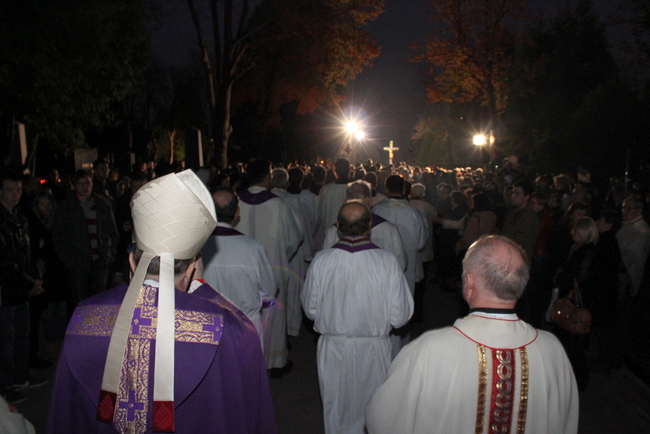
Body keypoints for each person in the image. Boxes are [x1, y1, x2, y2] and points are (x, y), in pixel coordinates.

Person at [47, 169, 276, 433]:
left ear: (132, 261)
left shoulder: (83, 318)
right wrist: (202, 290)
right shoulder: (225, 328)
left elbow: (66, 414)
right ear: (192, 269)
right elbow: (248, 403)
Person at [366, 235, 579, 434]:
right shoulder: (553, 351)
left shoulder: (429, 350)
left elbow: (383, 419)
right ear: (520, 287)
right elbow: (566, 421)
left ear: (469, 282)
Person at [302, 202, 413, 434]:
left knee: (336, 409)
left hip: (334, 348)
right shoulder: (387, 261)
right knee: (373, 409)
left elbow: (311, 310)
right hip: (373, 348)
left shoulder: (322, 260)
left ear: (338, 226)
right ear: (369, 226)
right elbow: (400, 315)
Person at [236, 158, 300, 372]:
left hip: (241, 268)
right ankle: (274, 361)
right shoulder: (279, 204)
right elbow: (293, 239)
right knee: (273, 316)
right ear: (267, 177)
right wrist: (281, 256)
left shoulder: (236, 201)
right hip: (272, 267)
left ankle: (244, 360)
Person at [201, 186, 277, 351]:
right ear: (237, 212)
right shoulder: (253, 248)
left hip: (207, 327)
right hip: (246, 326)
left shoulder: (197, 248)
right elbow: (270, 289)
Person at [0, 169, 47, 406]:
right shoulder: (3, 220)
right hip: (5, 291)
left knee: (21, 336)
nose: (15, 194)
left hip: (22, 288)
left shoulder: (19, 216)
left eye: (18, 189)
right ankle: (6, 385)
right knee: (6, 340)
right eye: (10, 190)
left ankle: (19, 376)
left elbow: (27, 253)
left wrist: (34, 280)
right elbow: (4, 261)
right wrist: (29, 281)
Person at [51, 170, 119, 312]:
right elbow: (59, 236)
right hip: (78, 263)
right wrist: (70, 261)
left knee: (99, 302)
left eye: (87, 182)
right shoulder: (67, 207)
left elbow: (112, 232)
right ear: (74, 185)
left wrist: (109, 255)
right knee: (81, 302)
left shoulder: (101, 204)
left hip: (100, 261)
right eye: (80, 183)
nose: (85, 187)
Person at [553, 217, 599, 391]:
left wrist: (561, 278)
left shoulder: (587, 253)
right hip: (573, 298)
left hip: (575, 303)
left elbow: (579, 277)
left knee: (573, 344)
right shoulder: (578, 248)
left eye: (576, 230)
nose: (572, 232)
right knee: (570, 342)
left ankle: (578, 381)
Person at [322, 180, 406, 271]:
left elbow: (325, 264)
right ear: (370, 201)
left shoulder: (333, 230)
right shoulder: (389, 229)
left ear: (346, 201)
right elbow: (399, 264)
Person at [617, 196, 650, 297]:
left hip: (628, 276)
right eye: (623, 208)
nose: (624, 211)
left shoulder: (642, 231)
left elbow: (632, 256)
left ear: (639, 210)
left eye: (628, 208)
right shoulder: (627, 225)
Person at [502, 180, 540, 259]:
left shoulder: (528, 217)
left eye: (518, 194)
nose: (513, 196)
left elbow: (521, 241)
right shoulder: (513, 212)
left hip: (517, 258)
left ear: (526, 197)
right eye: (513, 193)